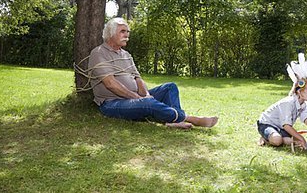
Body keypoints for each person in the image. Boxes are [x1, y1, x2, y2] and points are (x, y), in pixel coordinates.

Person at [87, 17, 218, 129]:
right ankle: (189, 118)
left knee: (170, 87)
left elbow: (137, 78)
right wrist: (138, 98)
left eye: (128, 32)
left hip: (135, 97)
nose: (127, 35)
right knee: (147, 104)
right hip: (112, 103)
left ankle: (171, 121)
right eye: (122, 31)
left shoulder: (126, 54)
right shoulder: (99, 53)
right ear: (110, 33)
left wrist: (147, 95)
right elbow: (110, 84)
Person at [257, 53, 307, 149]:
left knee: (292, 140)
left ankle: (273, 138)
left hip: (281, 127)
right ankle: (266, 137)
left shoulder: (303, 105)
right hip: (267, 123)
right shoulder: (288, 103)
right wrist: (301, 138)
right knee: (278, 140)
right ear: (300, 92)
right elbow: (287, 126)